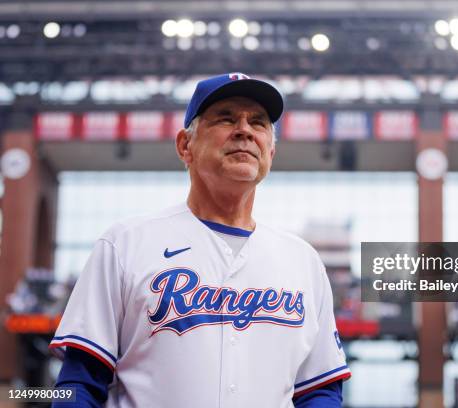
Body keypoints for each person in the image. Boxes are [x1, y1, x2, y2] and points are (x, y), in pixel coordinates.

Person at [50, 73, 351, 407]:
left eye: (258, 122)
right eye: (225, 118)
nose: (244, 130)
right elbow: (80, 382)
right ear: (185, 145)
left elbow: (319, 389)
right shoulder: (124, 244)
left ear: (271, 151)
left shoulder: (302, 261)